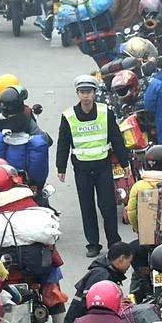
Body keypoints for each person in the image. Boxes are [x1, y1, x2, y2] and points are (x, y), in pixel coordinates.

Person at [54, 74, 134, 257]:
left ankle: (113, 240)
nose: (86, 96)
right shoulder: (69, 116)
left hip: (103, 167)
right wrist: (61, 168)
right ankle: (93, 244)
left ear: (94, 93)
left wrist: (124, 162)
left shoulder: (106, 112)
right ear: (77, 94)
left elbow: (116, 138)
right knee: (87, 206)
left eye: (89, 92)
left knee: (108, 206)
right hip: (81, 168)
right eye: (82, 92)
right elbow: (63, 142)